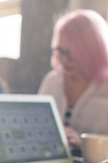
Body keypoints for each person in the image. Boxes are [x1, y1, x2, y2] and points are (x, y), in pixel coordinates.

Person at [39, 10, 108, 150]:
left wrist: (83, 144)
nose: (64, 60)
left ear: (93, 50)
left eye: (72, 53)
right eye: (60, 51)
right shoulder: (51, 81)